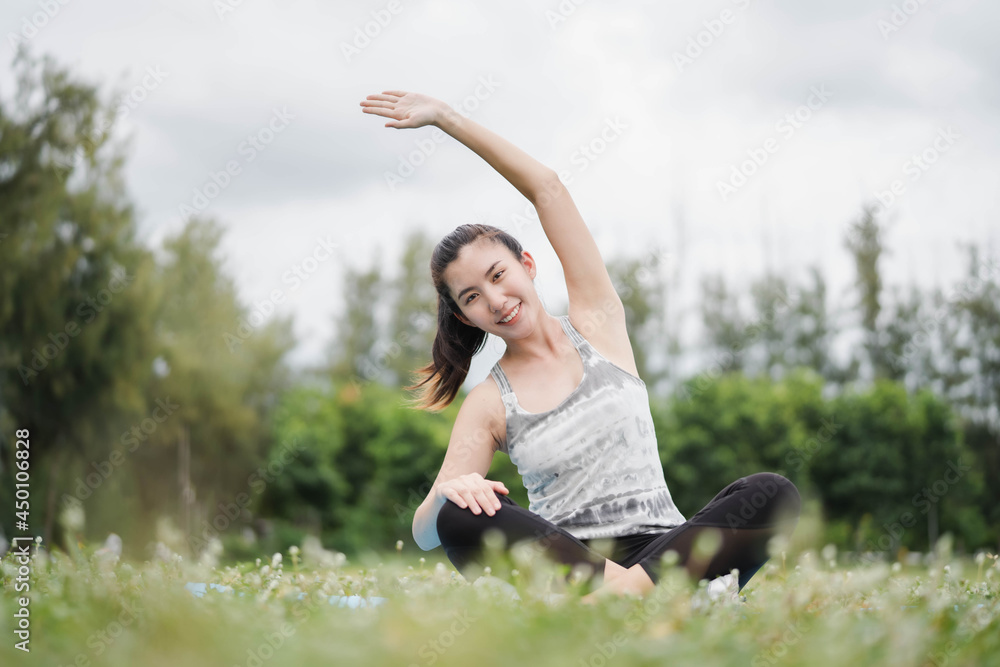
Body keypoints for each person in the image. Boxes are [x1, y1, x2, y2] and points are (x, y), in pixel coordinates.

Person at [360, 90, 801, 603]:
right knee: (457, 516)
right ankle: (653, 600)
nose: (497, 300)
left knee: (773, 493)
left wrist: (447, 119)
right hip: (573, 564)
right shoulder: (489, 402)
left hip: (664, 547)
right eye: (474, 297)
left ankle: (621, 601)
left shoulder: (598, 325)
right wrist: (448, 494)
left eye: (499, 275)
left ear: (527, 263)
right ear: (463, 315)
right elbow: (425, 532)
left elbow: (548, 188)